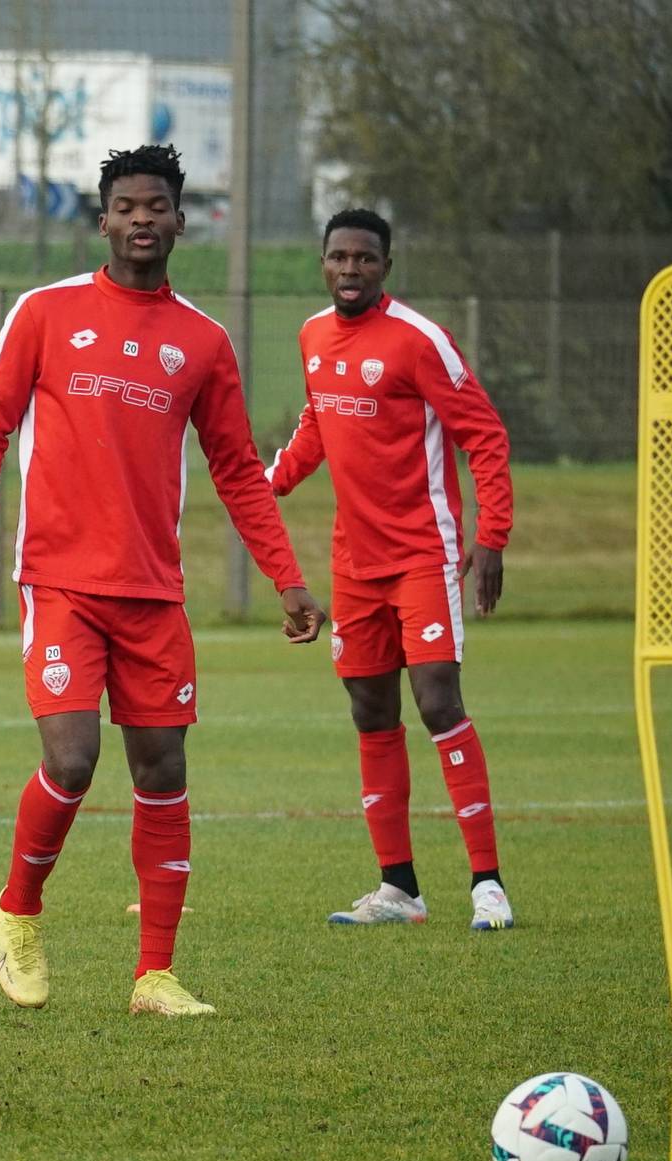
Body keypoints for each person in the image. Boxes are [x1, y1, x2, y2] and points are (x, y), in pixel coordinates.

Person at [0, 144, 325, 1017]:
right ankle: (19, 910)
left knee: (162, 770)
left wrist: (288, 577)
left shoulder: (203, 341)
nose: (142, 219)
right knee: (72, 759)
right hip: (61, 582)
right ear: (104, 220)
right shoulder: (46, 312)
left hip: (153, 591)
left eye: (157, 206)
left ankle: (154, 975)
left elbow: (238, 470)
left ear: (181, 221)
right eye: (126, 207)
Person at [265, 207, 516, 930]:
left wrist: (492, 536)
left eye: (365, 258)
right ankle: (399, 888)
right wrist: (268, 480)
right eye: (339, 257)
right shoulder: (313, 335)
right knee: (371, 711)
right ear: (323, 263)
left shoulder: (419, 340)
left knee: (437, 701)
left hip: (423, 554)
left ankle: (488, 885)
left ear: (386, 267)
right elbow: (318, 422)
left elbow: (485, 436)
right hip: (355, 563)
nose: (351, 269)